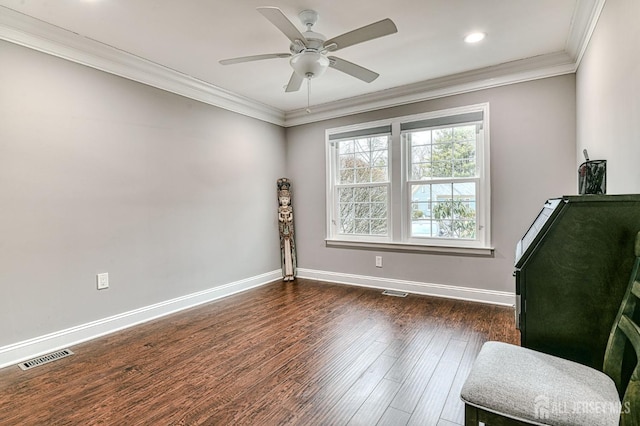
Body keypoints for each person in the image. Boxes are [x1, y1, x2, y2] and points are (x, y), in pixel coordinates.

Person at [277, 178, 296, 281]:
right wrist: (282, 218)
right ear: (280, 200)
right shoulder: (280, 209)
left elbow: (291, 217)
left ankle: (291, 272)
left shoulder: (290, 209)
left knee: (290, 247)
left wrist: (288, 218)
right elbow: (279, 217)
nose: (284, 201)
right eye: (282, 199)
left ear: (289, 200)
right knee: (284, 248)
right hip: (283, 229)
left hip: (289, 229)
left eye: (286, 199)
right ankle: (286, 273)